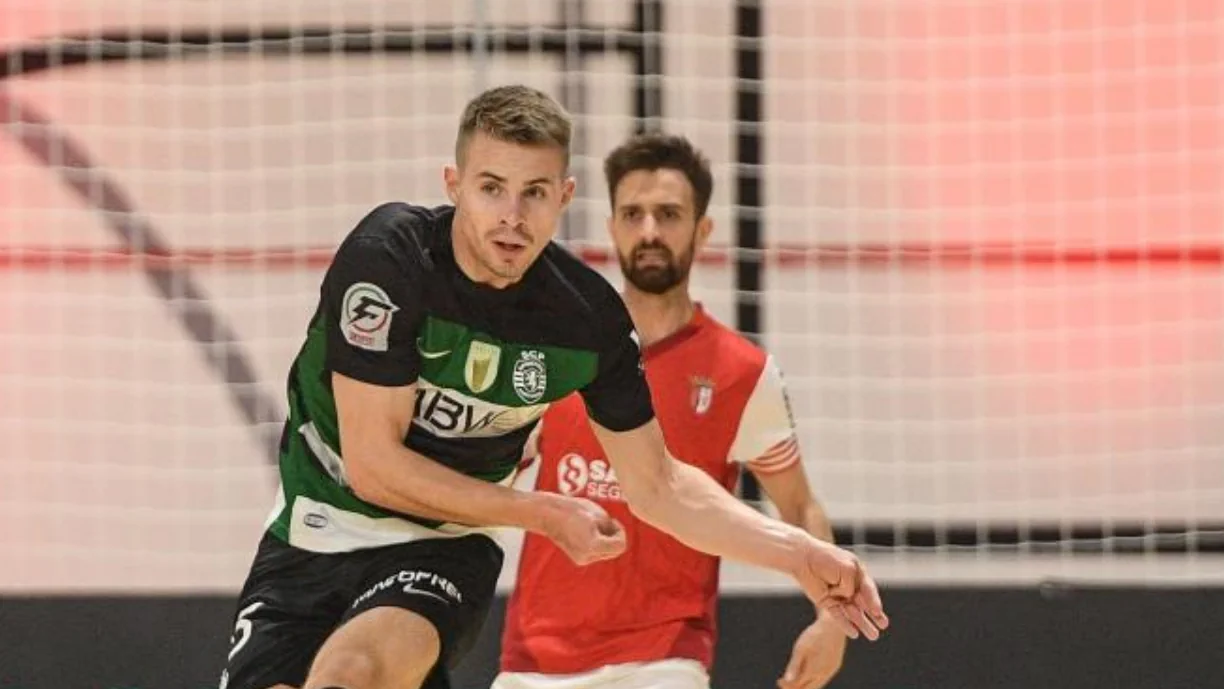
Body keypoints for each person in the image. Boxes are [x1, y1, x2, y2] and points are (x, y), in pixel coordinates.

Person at [218, 85, 887, 689]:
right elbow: (373, 465)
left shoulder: (586, 321)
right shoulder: (390, 259)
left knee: (350, 674)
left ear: (564, 198)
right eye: (491, 188)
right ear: (453, 185)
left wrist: (799, 553)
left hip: (443, 544)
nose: (512, 216)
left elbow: (659, 484)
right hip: (313, 527)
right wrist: (543, 512)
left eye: (534, 192)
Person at [494, 134, 849, 689]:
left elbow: (800, 507)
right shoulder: (553, 350)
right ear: (612, 226)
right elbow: (488, 473)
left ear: (702, 230)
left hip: (662, 661)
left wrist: (832, 619)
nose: (650, 232)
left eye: (669, 214)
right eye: (633, 214)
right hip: (533, 661)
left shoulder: (742, 373)